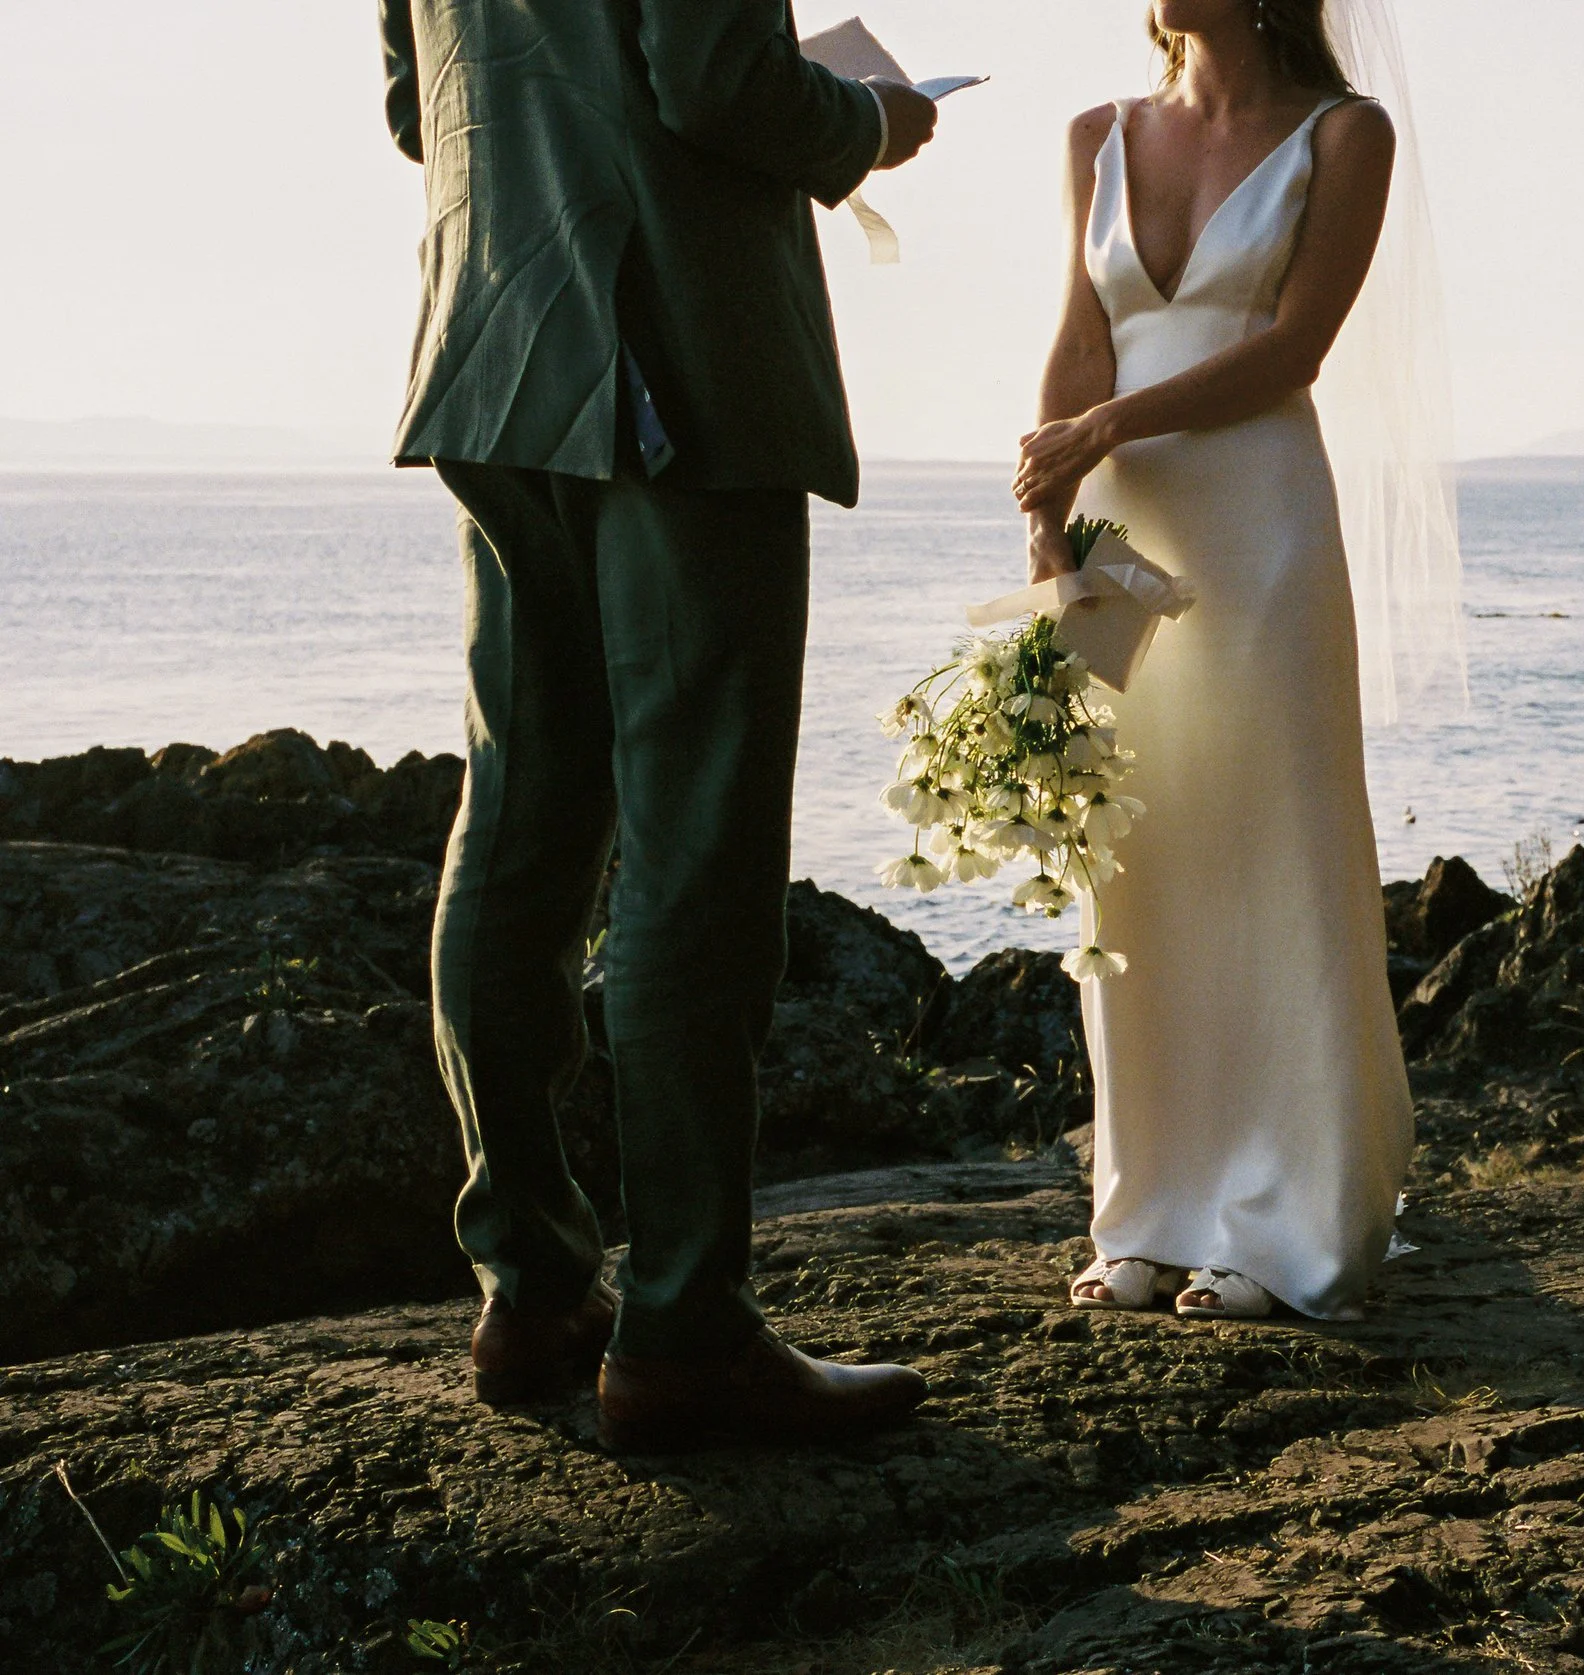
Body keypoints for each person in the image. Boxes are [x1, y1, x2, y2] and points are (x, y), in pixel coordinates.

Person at [378, 0, 939, 1448]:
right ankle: (686, 1328)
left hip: (493, 335)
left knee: (518, 819)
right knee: (695, 845)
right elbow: (708, 78)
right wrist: (871, 122)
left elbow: (414, 105)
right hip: (676, 353)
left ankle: (530, 1281)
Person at [1013, 0, 1443, 1321]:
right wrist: (1048, 519)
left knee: (1274, 846)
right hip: (1120, 527)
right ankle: (1149, 1208)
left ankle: (1287, 1218)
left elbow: (1292, 348)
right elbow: (1082, 335)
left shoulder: (1342, 135)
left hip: (1261, 531)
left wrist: (1109, 421)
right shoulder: (1096, 134)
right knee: (1138, 859)